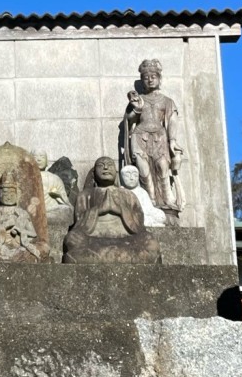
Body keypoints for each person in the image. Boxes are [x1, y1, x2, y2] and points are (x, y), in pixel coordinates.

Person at [62, 157, 161, 263]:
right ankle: (131, 257)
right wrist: (99, 210)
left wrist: (121, 210)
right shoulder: (85, 195)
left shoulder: (129, 195)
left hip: (127, 239)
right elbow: (79, 223)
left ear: (116, 173)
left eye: (110, 165)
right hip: (93, 239)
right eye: (101, 165)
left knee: (150, 241)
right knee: (72, 239)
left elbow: (139, 223)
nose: (106, 167)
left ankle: (97, 257)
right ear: (94, 174)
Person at [122, 59, 185, 222]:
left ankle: (167, 199)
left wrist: (172, 140)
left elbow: (172, 120)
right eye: (146, 77)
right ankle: (148, 201)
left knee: (163, 167)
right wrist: (135, 107)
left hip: (159, 137)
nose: (149, 79)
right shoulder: (139, 99)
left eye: (153, 76)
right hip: (139, 136)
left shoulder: (166, 101)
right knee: (143, 171)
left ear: (159, 79)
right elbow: (129, 119)